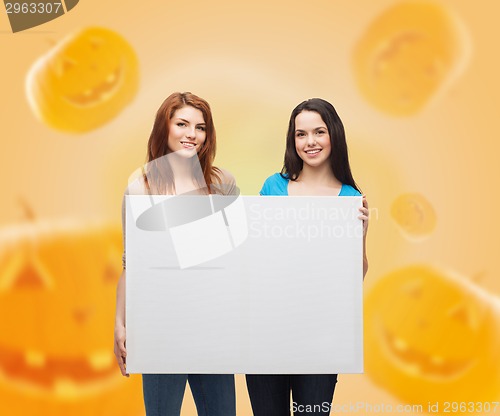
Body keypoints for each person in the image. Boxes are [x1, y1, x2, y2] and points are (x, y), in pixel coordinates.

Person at [114, 92, 237, 416]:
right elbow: (132, 262)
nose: (191, 134)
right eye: (182, 123)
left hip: (212, 325)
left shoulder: (222, 183)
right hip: (160, 324)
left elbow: (235, 258)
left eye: (200, 127)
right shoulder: (140, 185)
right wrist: (120, 324)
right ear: (164, 128)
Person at [246, 98, 369, 416]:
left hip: (321, 338)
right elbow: (255, 262)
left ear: (334, 136)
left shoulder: (351, 199)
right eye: (301, 134)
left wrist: (361, 232)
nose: (310, 142)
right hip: (267, 333)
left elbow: (353, 277)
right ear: (293, 140)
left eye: (319, 132)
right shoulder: (273, 187)